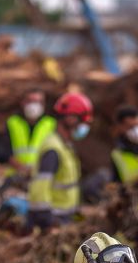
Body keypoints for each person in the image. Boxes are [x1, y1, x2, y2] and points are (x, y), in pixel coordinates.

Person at [27, 91, 92, 232]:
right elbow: (40, 191)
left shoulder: (65, 146)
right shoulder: (53, 149)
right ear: (70, 118)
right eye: (82, 120)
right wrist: (48, 222)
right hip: (52, 223)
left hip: (64, 219)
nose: (84, 126)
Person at [1, 89, 55, 175]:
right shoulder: (13, 122)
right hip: (15, 176)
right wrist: (19, 166)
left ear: (44, 104)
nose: (34, 105)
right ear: (22, 103)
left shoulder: (51, 124)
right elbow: (3, 150)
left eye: (38, 102)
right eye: (30, 101)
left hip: (41, 176)